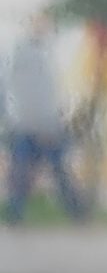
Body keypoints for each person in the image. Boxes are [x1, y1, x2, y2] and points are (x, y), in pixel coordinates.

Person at [4, 14, 89, 225]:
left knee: (51, 169)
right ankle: (16, 214)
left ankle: (75, 211)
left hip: (45, 123)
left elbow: (53, 93)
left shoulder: (49, 53)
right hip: (27, 124)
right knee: (25, 170)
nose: (43, 28)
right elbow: (21, 90)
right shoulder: (24, 53)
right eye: (39, 24)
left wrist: (59, 118)